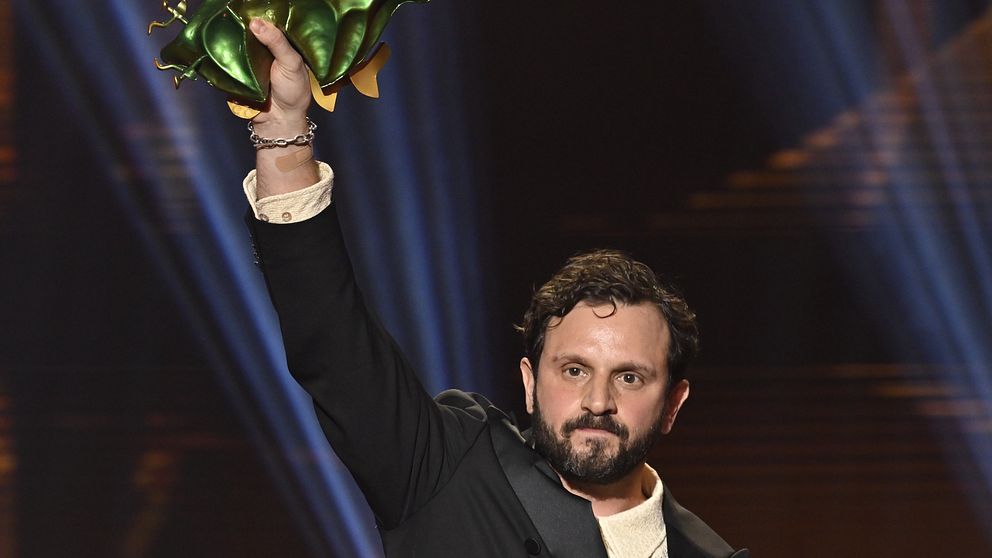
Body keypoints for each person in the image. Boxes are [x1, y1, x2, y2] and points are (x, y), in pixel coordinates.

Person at [242, 18, 749, 558]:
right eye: (574, 370)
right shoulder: (446, 466)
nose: (598, 402)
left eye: (629, 377)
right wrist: (284, 131)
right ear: (529, 382)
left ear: (672, 403)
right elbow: (333, 340)